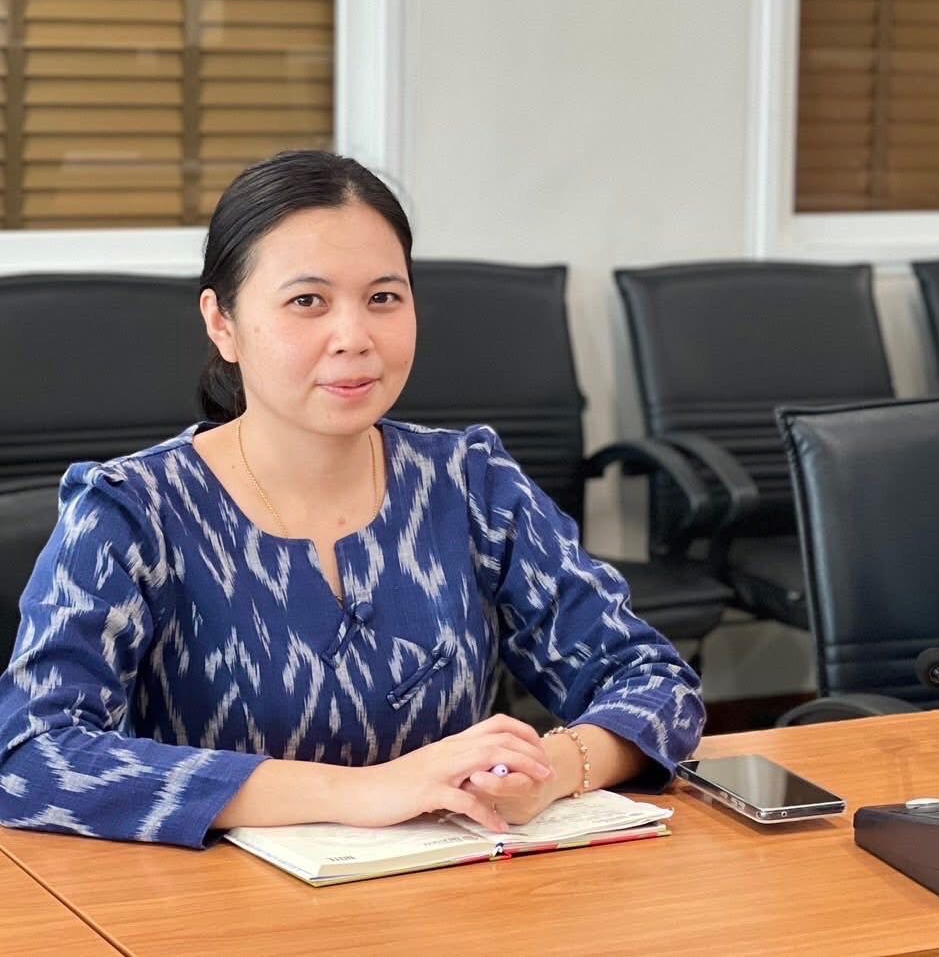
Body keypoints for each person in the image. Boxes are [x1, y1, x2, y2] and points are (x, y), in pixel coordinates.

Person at [0, 151, 705, 847]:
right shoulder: (132, 511)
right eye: (307, 301)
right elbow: (30, 755)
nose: (355, 337)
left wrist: (543, 771)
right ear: (222, 323)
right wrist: (363, 791)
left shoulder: (469, 481)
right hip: (219, 913)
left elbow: (655, 683)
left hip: (454, 892)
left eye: (383, 298)